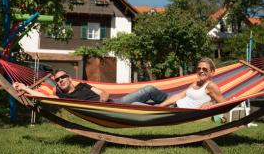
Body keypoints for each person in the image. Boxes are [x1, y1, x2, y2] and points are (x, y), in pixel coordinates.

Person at [13, 57, 226, 108]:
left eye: (204, 70)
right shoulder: (60, 94)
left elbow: (104, 94)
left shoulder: (80, 86)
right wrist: (23, 87)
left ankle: (151, 105)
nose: (60, 81)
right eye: (57, 79)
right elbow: (44, 96)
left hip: (112, 104)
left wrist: (212, 106)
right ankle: (151, 106)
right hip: (171, 105)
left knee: (148, 90)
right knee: (137, 105)